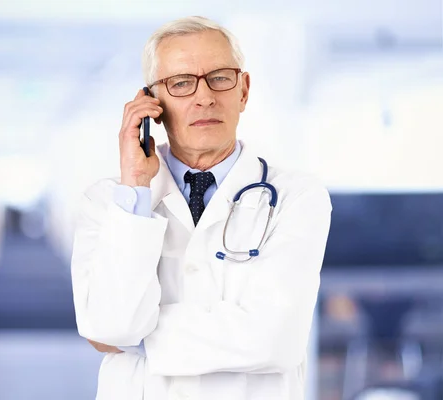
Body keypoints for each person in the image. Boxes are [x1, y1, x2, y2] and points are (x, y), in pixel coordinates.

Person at [71, 15, 332, 400]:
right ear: (151, 103)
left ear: (243, 91)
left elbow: (276, 338)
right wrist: (137, 191)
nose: (205, 96)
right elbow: (107, 327)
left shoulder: (297, 197)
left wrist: (136, 338)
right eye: (181, 83)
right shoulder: (109, 202)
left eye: (220, 78)